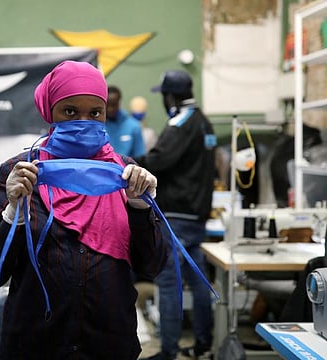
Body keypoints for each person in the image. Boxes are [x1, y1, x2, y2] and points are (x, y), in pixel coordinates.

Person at [0, 60, 168, 360]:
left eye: (95, 113)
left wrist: (141, 208)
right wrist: (14, 214)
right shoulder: (21, 174)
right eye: (71, 112)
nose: (84, 121)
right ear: (51, 112)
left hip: (108, 345)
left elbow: (152, 266)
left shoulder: (125, 175)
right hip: (34, 344)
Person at [136, 70, 216, 360]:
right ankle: (204, 345)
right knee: (198, 280)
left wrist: (129, 164)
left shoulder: (180, 123)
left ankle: (168, 350)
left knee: (169, 282)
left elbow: (160, 160)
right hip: (197, 215)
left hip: (177, 214)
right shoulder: (204, 122)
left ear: (170, 96)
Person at [105, 85, 146, 157]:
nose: (110, 109)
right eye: (107, 105)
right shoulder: (98, 127)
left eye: (114, 105)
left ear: (119, 102)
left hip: (128, 167)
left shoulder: (134, 126)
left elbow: (140, 157)